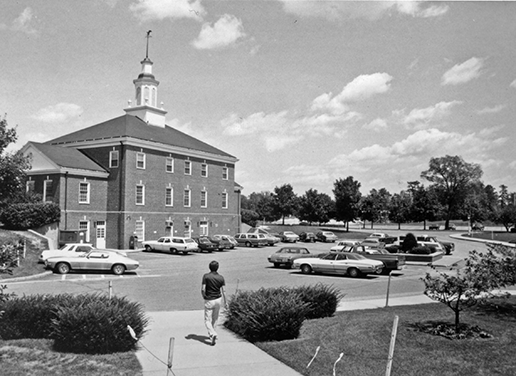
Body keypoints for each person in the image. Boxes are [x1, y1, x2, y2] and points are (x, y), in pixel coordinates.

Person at [201, 260, 227, 346]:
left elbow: (203, 289)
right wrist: (226, 302)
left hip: (209, 299)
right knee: (215, 318)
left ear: (209, 267)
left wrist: (204, 296)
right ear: (217, 268)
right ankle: (212, 336)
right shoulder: (221, 278)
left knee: (207, 320)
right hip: (218, 299)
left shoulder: (206, 276)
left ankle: (212, 333)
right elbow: (224, 291)